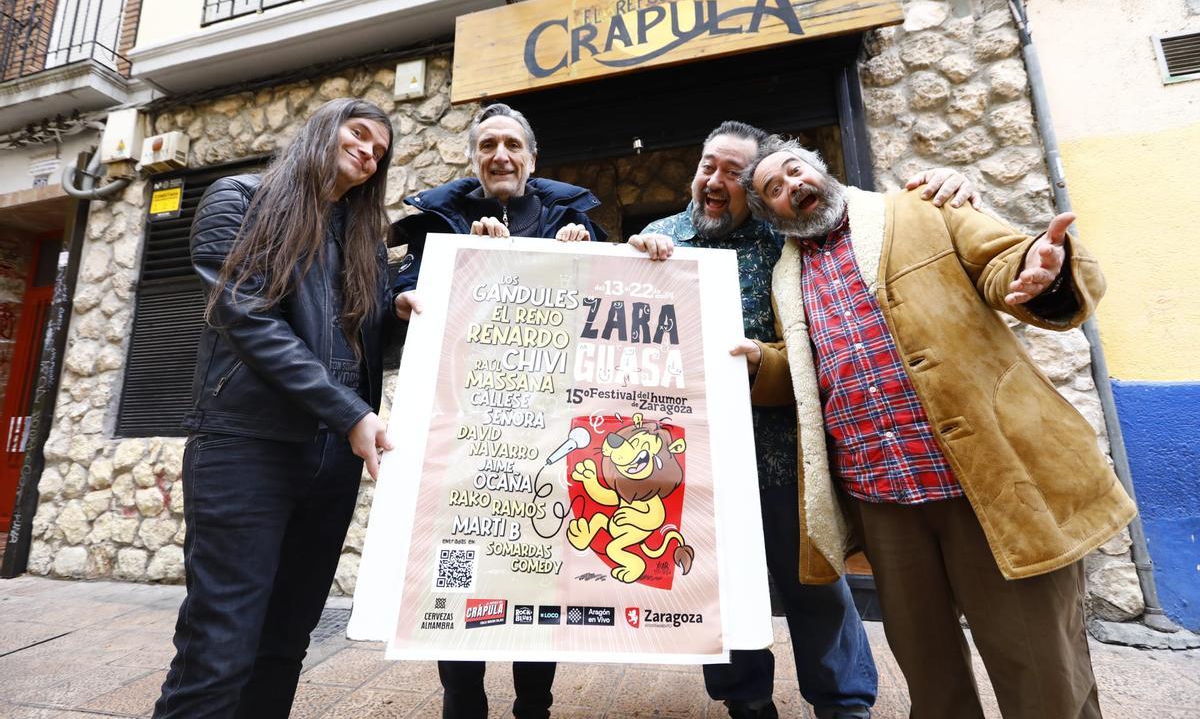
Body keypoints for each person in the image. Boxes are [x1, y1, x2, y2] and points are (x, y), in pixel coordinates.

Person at [737, 135, 1136, 719]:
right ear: (772, 213)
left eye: (795, 171)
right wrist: (758, 364)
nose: (791, 186)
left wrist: (1040, 269)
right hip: (882, 500)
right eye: (774, 189)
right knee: (929, 672)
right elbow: (804, 368)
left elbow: (1003, 263)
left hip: (986, 484)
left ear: (822, 172)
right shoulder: (784, 275)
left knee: (1041, 669)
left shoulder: (922, 207)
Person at [628, 122, 980, 719]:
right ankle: (746, 702)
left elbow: (855, 226)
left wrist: (949, 184)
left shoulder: (787, 238)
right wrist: (634, 258)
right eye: (707, 165)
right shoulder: (660, 236)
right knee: (721, 588)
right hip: (691, 459)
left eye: (734, 175)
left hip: (785, 451)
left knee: (816, 588)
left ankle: (844, 705)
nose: (714, 182)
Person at [155, 99, 398, 718]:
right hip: (246, 445)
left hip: (331, 462)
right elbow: (246, 315)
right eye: (360, 134)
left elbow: (363, 346)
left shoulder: (365, 239)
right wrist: (349, 413)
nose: (368, 152)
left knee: (285, 646)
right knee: (220, 648)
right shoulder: (239, 197)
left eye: (379, 151)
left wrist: (400, 310)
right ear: (325, 128)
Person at [392, 102, 605, 719]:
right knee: (457, 568)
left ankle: (533, 705)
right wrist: (414, 288)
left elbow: (607, 304)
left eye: (512, 144)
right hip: (463, 434)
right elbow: (397, 294)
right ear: (474, 159)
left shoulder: (572, 219)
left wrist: (590, 250)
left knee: (535, 567)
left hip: (546, 433)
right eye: (487, 146)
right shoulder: (442, 219)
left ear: (532, 159)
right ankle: (462, 702)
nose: (500, 155)